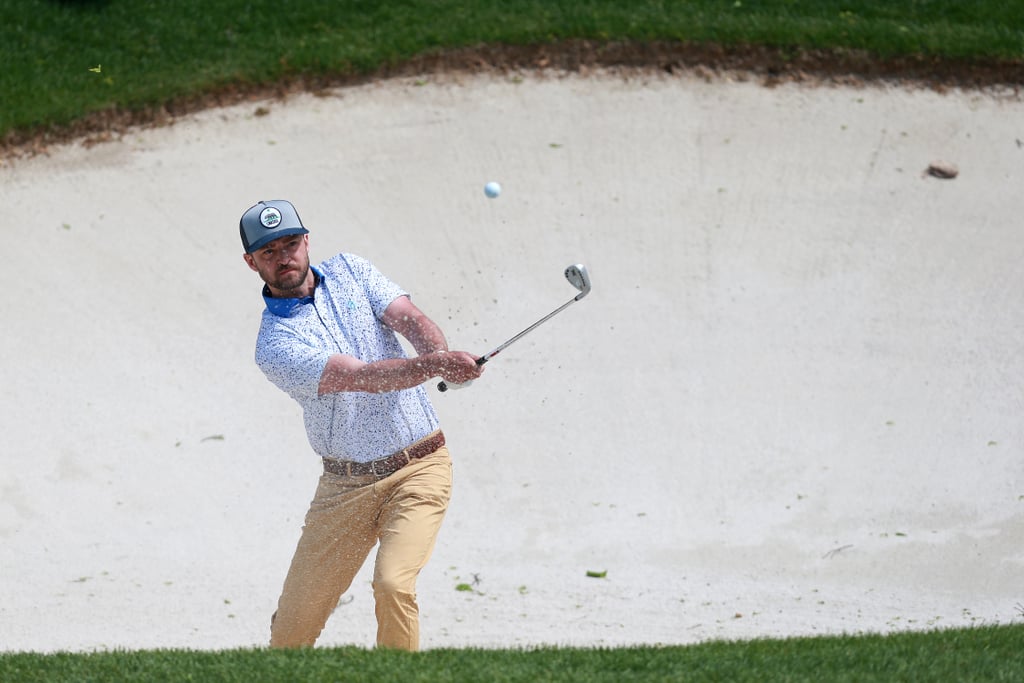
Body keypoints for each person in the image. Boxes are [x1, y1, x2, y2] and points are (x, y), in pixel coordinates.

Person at [239, 199, 484, 650]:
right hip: (344, 488)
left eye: (290, 244)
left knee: (393, 584)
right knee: (290, 632)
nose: (283, 258)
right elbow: (359, 377)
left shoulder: (352, 270)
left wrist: (438, 355)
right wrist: (437, 365)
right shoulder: (274, 343)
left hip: (419, 466)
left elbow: (410, 320)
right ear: (251, 261)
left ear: (306, 241)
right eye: (269, 252)